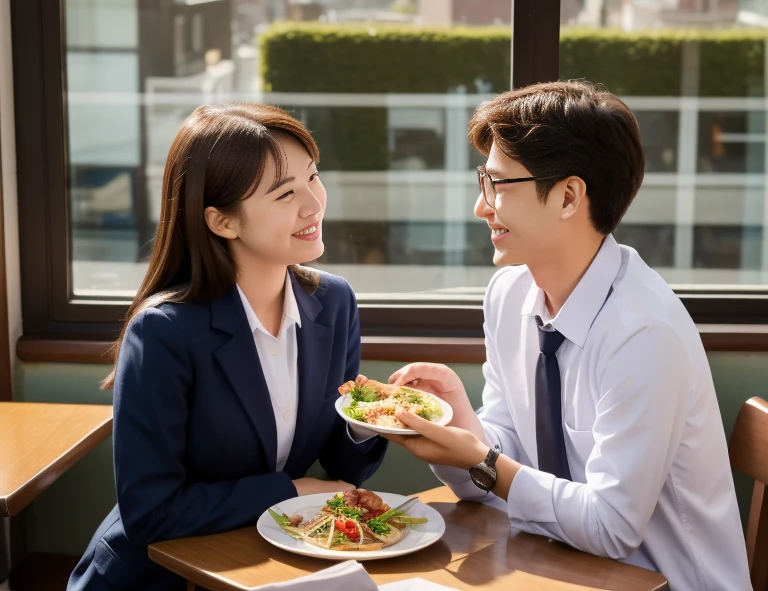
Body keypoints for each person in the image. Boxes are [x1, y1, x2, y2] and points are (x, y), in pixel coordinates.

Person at [385, 81, 751, 591]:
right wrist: (458, 423)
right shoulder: (509, 294)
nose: (481, 206)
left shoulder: (643, 332)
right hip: (556, 569)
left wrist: (482, 460)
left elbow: (610, 527)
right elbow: (498, 470)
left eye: (498, 185)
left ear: (568, 196)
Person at [68, 104, 387, 591]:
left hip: (267, 565)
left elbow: (343, 468)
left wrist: (367, 423)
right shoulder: (163, 332)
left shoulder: (333, 302)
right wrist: (291, 491)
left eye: (313, 177)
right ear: (222, 222)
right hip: (159, 576)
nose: (314, 204)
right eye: (285, 193)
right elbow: (151, 512)